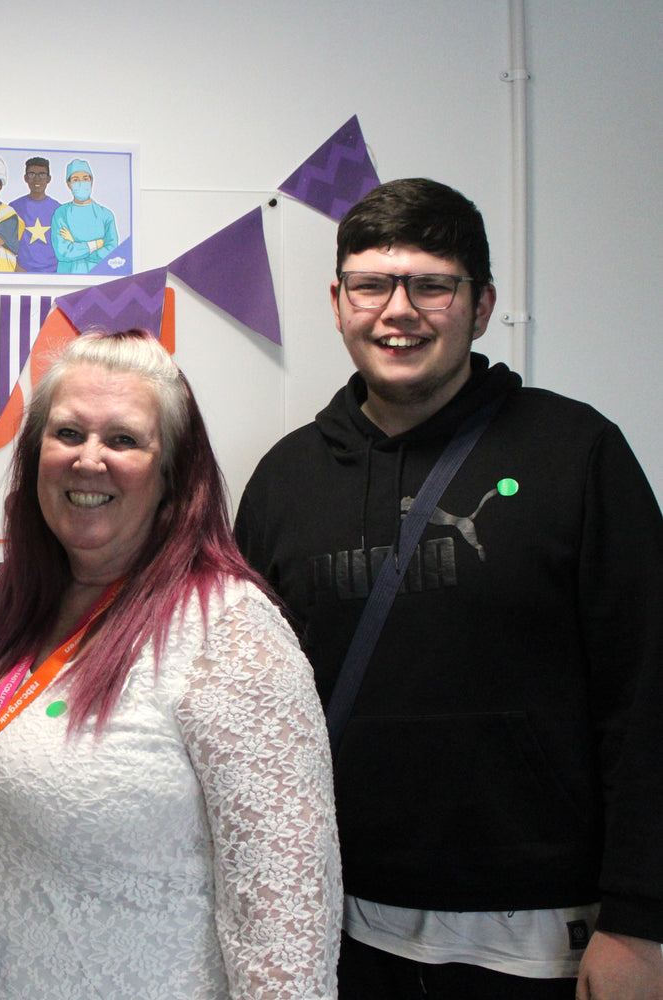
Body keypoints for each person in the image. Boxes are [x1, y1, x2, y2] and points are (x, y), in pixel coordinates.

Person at [233, 177, 663, 999]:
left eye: (432, 283)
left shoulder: (576, 454)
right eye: (372, 284)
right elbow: (250, 717)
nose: (399, 310)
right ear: (338, 301)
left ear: (481, 303)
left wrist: (641, 922)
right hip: (339, 927)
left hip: (543, 938)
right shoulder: (284, 480)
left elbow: (648, 691)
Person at [0, 330, 341, 999]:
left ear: (173, 475)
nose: (89, 460)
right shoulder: (16, 614)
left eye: (123, 440)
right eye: (67, 434)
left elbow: (286, 929)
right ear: (34, 460)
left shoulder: (228, 632)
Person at [51, 158, 118, 274]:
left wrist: (76, 245)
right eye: (75, 180)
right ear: (69, 184)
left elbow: (111, 251)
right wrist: (95, 244)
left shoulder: (105, 214)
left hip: (98, 278)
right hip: (67, 278)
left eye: (85, 179)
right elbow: (63, 252)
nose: (81, 183)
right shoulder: (61, 214)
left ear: (91, 181)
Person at [8, 156, 59, 274]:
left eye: (42, 175)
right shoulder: (13, 208)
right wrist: (17, 269)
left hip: (54, 275)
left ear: (48, 179)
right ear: (25, 178)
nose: (37, 179)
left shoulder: (59, 210)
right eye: (32, 174)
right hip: (22, 274)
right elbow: (5, 245)